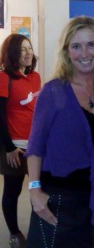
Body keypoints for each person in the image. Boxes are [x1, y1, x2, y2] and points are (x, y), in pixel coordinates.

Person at [25, 16, 94, 248]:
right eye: (76, 46)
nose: (84, 53)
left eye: (91, 44)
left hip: (92, 198)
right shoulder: (54, 91)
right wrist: (35, 191)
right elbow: (35, 145)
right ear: (67, 52)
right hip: (56, 199)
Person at [0, 33, 41, 248]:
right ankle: (15, 234)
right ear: (12, 53)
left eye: (30, 48)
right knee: (13, 190)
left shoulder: (35, 77)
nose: (28, 52)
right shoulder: (3, 77)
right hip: (13, 147)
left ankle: (37, 231)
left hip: (35, 146)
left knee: (38, 188)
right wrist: (8, 148)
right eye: (23, 49)